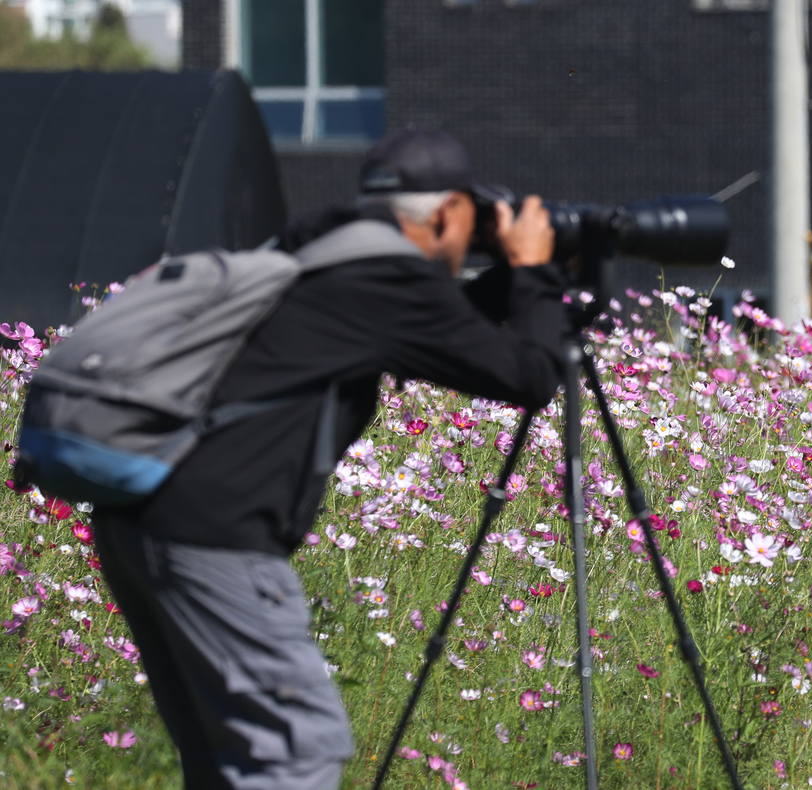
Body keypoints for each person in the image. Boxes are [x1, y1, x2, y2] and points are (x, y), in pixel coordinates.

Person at [89, 129, 564, 789]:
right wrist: (538, 272)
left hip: (133, 516)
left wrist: (520, 283)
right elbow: (532, 376)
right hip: (212, 533)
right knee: (297, 751)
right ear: (451, 211)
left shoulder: (316, 249)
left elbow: (446, 330)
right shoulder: (388, 279)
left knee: (224, 760)